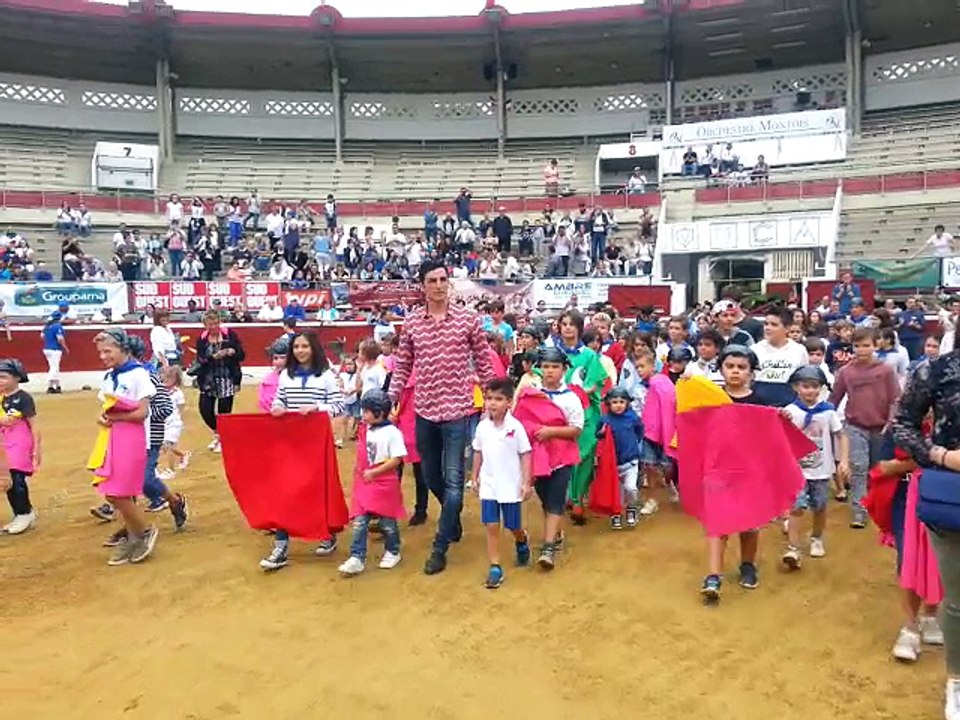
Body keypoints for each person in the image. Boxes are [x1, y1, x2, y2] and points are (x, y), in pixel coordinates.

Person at [387, 260, 496, 576]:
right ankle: (453, 517)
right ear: (422, 285)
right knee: (431, 476)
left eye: (442, 279)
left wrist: (491, 399)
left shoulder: (468, 319)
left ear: (449, 283)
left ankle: (439, 547)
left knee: (452, 481)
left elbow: (484, 361)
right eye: (432, 280)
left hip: (458, 411)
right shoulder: (411, 323)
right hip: (424, 410)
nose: (438, 284)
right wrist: (392, 397)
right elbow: (403, 365)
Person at [892, 333, 960, 719]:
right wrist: (940, 455)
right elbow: (902, 422)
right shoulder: (936, 371)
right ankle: (957, 681)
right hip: (953, 490)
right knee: (958, 598)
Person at [262, 332, 343, 571]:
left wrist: (317, 407)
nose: (299, 350)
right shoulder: (286, 375)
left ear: (313, 348)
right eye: (296, 346)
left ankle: (326, 533)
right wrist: (277, 407)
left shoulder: (326, 376)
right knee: (284, 491)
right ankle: (281, 544)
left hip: (317, 441)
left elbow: (339, 404)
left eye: (304, 346)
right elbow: (280, 400)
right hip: (290, 442)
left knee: (317, 490)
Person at [700, 344, 773, 601]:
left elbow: (768, 438)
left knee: (750, 524)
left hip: (750, 470)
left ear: (752, 372)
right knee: (718, 523)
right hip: (718, 469)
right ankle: (713, 574)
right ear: (721, 368)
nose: (735, 372)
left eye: (742, 367)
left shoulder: (760, 402)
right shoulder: (711, 398)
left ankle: (748, 565)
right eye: (730, 366)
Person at [90, 330, 159, 565]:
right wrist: (102, 418)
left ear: (123, 349)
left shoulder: (139, 374)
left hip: (132, 438)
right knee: (116, 491)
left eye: (107, 351)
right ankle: (133, 536)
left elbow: (141, 413)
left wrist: (115, 419)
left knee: (117, 492)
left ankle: (143, 531)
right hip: (110, 438)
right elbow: (104, 409)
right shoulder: (110, 377)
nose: (103, 356)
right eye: (100, 352)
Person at [829, 328, 900, 529]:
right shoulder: (846, 372)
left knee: (877, 469)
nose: (861, 350)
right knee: (858, 467)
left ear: (875, 346)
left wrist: (891, 421)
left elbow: (895, 398)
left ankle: (878, 507)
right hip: (854, 425)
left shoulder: (885, 370)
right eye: (857, 346)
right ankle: (859, 510)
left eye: (866, 345)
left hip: (881, 427)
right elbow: (835, 398)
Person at [781, 366, 848, 568]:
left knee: (820, 506)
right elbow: (780, 438)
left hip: (822, 469)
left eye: (814, 386)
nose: (810, 391)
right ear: (796, 387)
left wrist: (843, 460)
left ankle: (816, 537)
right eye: (805, 386)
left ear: (821, 388)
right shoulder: (789, 412)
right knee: (796, 508)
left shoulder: (828, 412)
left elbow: (841, 435)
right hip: (797, 469)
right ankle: (793, 548)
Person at [468, 378, 532, 588]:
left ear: (509, 402)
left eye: (498, 399)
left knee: (513, 525)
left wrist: (526, 482)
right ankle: (495, 566)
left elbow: (526, 454)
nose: (492, 403)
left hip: (511, 485)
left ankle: (521, 539)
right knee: (492, 525)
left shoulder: (516, 427)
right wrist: (474, 476)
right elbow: (478, 451)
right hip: (489, 484)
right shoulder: (482, 427)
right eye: (489, 398)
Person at [338, 390, 405, 576]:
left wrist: (374, 471)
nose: (363, 415)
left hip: (383, 483)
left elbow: (396, 460)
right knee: (360, 521)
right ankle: (357, 557)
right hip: (365, 481)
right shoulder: (364, 428)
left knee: (387, 523)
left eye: (367, 411)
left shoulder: (392, 432)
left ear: (379, 412)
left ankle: (393, 550)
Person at [529, 347, 583, 569]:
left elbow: (577, 429)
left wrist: (551, 432)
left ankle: (548, 547)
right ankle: (556, 532)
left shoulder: (570, 398)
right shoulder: (533, 394)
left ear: (563, 370)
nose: (550, 371)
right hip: (539, 458)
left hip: (561, 457)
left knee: (554, 499)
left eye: (555, 367)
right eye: (546, 367)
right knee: (544, 496)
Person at [195, 310, 245, 453]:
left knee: (224, 412)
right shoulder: (202, 340)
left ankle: (222, 437)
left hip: (227, 377)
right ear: (205, 325)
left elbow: (242, 355)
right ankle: (219, 434)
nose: (213, 327)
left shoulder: (230, 336)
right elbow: (201, 360)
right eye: (210, 324)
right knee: (205, 409)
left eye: (216, 323)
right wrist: (213, 357)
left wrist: (232, 352)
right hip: (208, 378)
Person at [0, 359, 40, 535]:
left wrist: (37, 448)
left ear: (17, 377)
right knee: (7, 479)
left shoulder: (24, 398)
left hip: (20, 441)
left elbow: (34, 424)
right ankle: (21, 513)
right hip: (4, 441)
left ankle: (24, 513)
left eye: (4, 377)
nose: (0, 380)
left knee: (16, 476)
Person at [637, 345, 677, 515]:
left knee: (667, 466)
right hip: (648, 432)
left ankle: (670, 484)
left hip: (665, 430)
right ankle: (652, 499)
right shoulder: (639, 386)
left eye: (642, 366)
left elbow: (670, 406)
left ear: (653, 366)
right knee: (649, 465)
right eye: (637, 367)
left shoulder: (662, 383)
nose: (639, 370)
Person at [597, 386, 644, 530]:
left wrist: (633, 446)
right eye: (614, 402)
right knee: (616, 491)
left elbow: (639, 431)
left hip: (630, 460)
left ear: (627, 403)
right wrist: (602, 432)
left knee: (630, 487)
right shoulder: (605, 419)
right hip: (612, 462)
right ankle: (615, 513)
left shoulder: (633, 417)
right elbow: (597, 435)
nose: (618, 405)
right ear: (608, 404)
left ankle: (631, 509)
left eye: (622, 402)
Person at [752, 307, 809, 407]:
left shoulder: (799, 350)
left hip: (789, 407)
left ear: (787, 328)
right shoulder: (754, 350)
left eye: (774, 325)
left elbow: (804, 380)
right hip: (759, 406)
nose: (768, 328)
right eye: (766, 324)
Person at [157, 365, 190, 480]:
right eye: (164, 377)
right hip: (162, 423)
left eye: (169, 378)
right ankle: (183, 455)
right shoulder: (158, 391)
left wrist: (177, 422)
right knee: (164, 446)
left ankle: (170, 470)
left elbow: (180, 408)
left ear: (175, 380)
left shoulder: (178, 393)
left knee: (167, 445)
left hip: (173, 424)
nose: (165, 380)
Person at [258, 338, 289, 413]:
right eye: (275, 358)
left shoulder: (297, 378)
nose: (278, 362)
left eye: (282, 358)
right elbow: (263, 404)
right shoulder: (267, 381)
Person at [41, 310, 68, 394]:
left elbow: (42, 336)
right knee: (54, 368)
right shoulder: (57, 326)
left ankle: (57, 386)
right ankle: (49, 386)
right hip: (55, 349)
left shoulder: (47, 326)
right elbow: (60, 338)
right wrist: (65, 347)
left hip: (47, 348)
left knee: (54, 367)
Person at [897, 296, 927, 361]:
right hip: (903, 340)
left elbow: (923, 328)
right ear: (906, 303)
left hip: (916, 340)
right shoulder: (900, 314)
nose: (912, 304)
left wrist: (915, 326)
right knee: (904, 359)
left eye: (913, 303)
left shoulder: (919, 314)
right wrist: (900, 325)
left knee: (916, 359)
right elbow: (894, 328)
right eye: (910, 302)